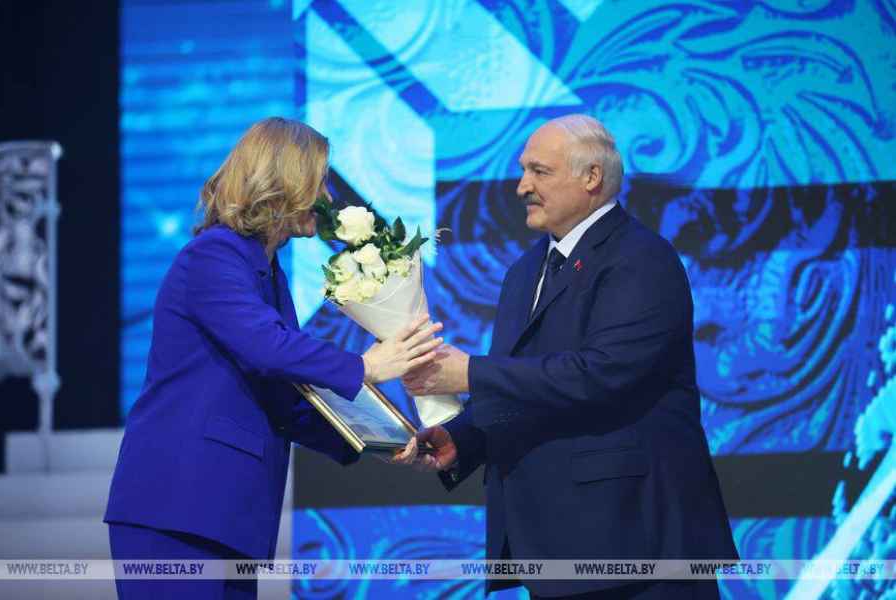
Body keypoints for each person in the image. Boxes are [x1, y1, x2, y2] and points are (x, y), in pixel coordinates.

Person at [400, 114, 739, 599]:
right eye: (523, 171)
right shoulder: (524, 271)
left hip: (635, 541)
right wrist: (464, 438)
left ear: (592, 177)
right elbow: (524, 382)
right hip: (557, 546)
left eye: (539, 171)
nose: (522, 186)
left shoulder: (641, 258)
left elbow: (602, 373)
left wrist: (470, 372)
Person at [103, 117, 442, 599]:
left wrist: (384, 440)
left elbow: (287, 400)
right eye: (319, 181)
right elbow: (267, 348)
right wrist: (366, 366)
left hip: (229, 516)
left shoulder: (268, 273)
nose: (327, 196)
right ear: (285, 182)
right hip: (178, 505)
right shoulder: (213, 255)